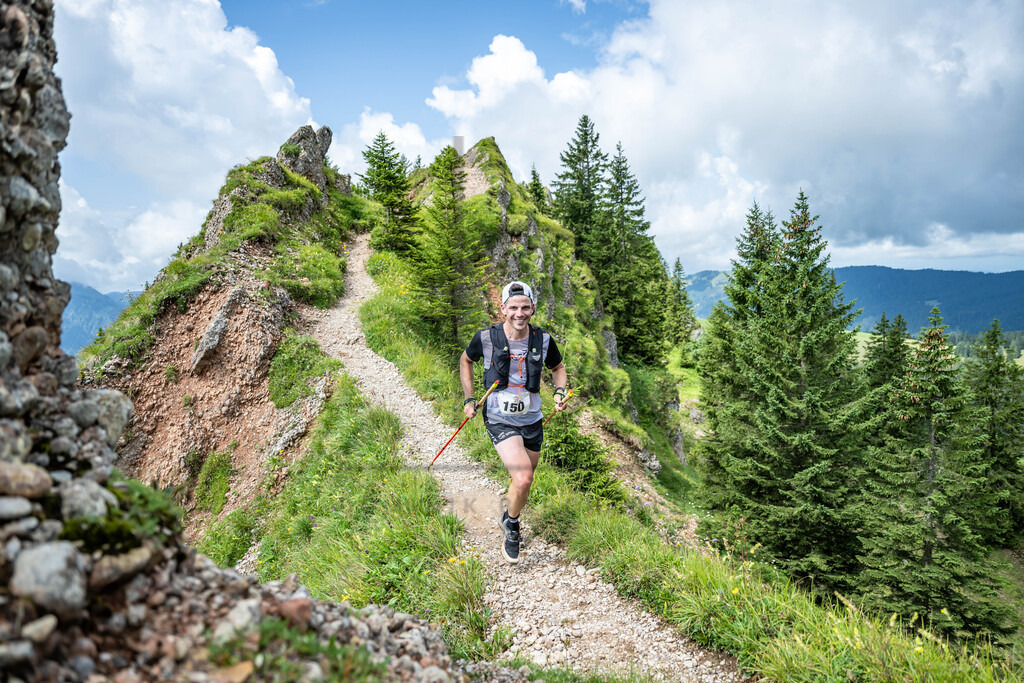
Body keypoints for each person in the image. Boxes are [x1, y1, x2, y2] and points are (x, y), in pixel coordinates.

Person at [460, 281, 569, 564]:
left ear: (532, 308)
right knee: (524, 478)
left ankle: (509, 515)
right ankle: (512, 526)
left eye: (524, 308)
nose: (519, 313)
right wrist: (469, 399)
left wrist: (560, 392)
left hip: (532, 419)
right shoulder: (486, 338)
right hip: (499, 418)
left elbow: (558, 368)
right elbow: (466, 360)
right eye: (513, 308)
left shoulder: (543, 340)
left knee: (523, 482)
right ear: (503, 309)